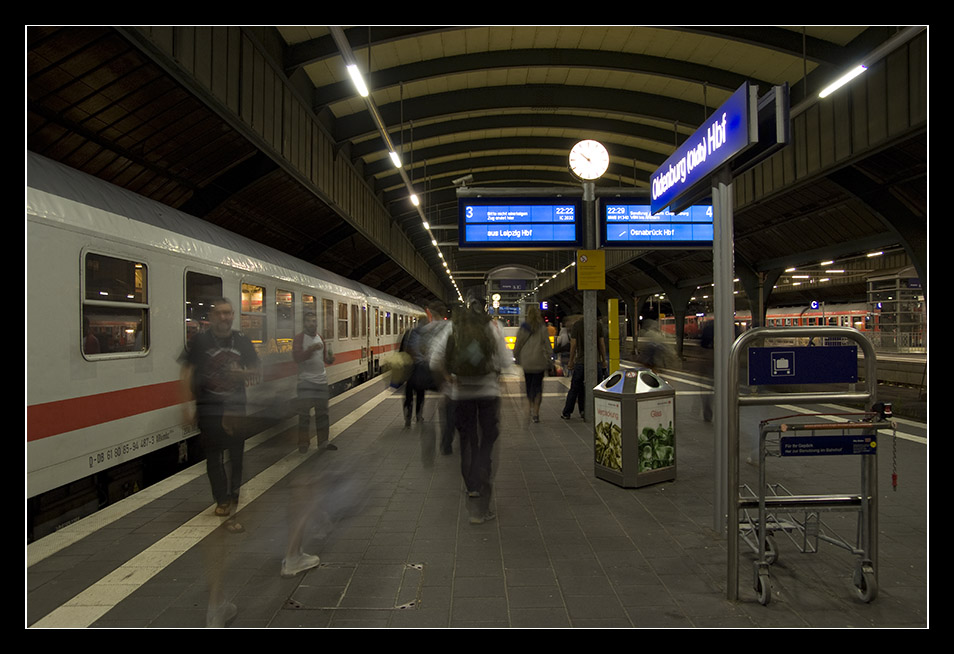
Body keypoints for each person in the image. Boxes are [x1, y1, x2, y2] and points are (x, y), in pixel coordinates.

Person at [179, 298, 259, 529]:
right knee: (213, 457)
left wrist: (242, 375)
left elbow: (256, 368)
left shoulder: (242, 341)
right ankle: (221, 499)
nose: (224, 317)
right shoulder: (200, 341)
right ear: (212, 317)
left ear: (233, 315)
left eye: (228, 313)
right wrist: (185, 405)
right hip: (209, 407)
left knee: (237, 456)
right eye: (219, 313)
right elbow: (187, 370)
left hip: (235, 407)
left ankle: (233, 493)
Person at [431, 299, 512, 524]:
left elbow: (434, 360)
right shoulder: (494, 328)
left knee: (467, 441)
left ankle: (472, 488)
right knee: (487, 443)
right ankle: (481, 506)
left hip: (461, 395)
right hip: (488, 394)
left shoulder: (452, 327)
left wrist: (448, 379)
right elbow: (506, 362)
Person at [292, 310, 336, 453]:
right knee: (304, 415)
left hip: (321, 381)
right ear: (304, 323)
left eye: (314, 321)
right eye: (310, 321)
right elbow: (297, 358)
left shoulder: (320, 338)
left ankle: (323, 442)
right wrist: (310, 349)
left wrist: (329, 359)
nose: (313, 324)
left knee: (323, 413)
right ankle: (303, 443)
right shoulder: (299, 339)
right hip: (305, 382)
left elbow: (324, 359)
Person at [401, 302, 445, 427]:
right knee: (420, 393)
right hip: (422, 368)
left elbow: (403, 350)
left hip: (410, 369)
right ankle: (419, 415)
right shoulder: (428, 334)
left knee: (409, 394)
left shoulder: (410, 333)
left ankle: (408, 415)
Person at [561, 312, 606, 421]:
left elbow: (573, 345)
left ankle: (568, 412)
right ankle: (599, 410)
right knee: (598, 388)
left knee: (576, 388)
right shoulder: (598, 325)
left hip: (581, 362)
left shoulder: (577, 325)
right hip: (595, 362)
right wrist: (603, 360)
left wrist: (571, 361)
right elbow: (601, 344)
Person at [513, 306, 553, 422]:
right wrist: (550, 360)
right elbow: (547, 346)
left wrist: (516, 356)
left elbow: (518, 344)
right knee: (538, 387)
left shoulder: (523, 328)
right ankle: (536, 412)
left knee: (529, 385)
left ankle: (529, 407)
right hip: (539, 361)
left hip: (526, 362)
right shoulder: (542, 328)